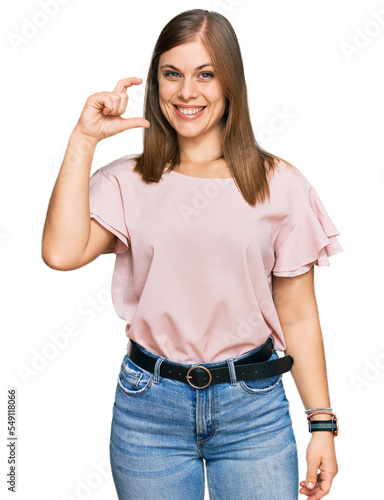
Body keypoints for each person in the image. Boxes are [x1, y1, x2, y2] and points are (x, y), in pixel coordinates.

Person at [41, 9, 342, 500]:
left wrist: (323, 424)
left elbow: (299, 314)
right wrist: (83, 141)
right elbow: (60, 252)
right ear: (156, 80)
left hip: (253, 411)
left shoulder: (279, 184)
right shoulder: (128, 179)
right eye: (172, 74)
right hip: (149, 411)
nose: (187, 92)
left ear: (231, 84)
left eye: (206, 74)